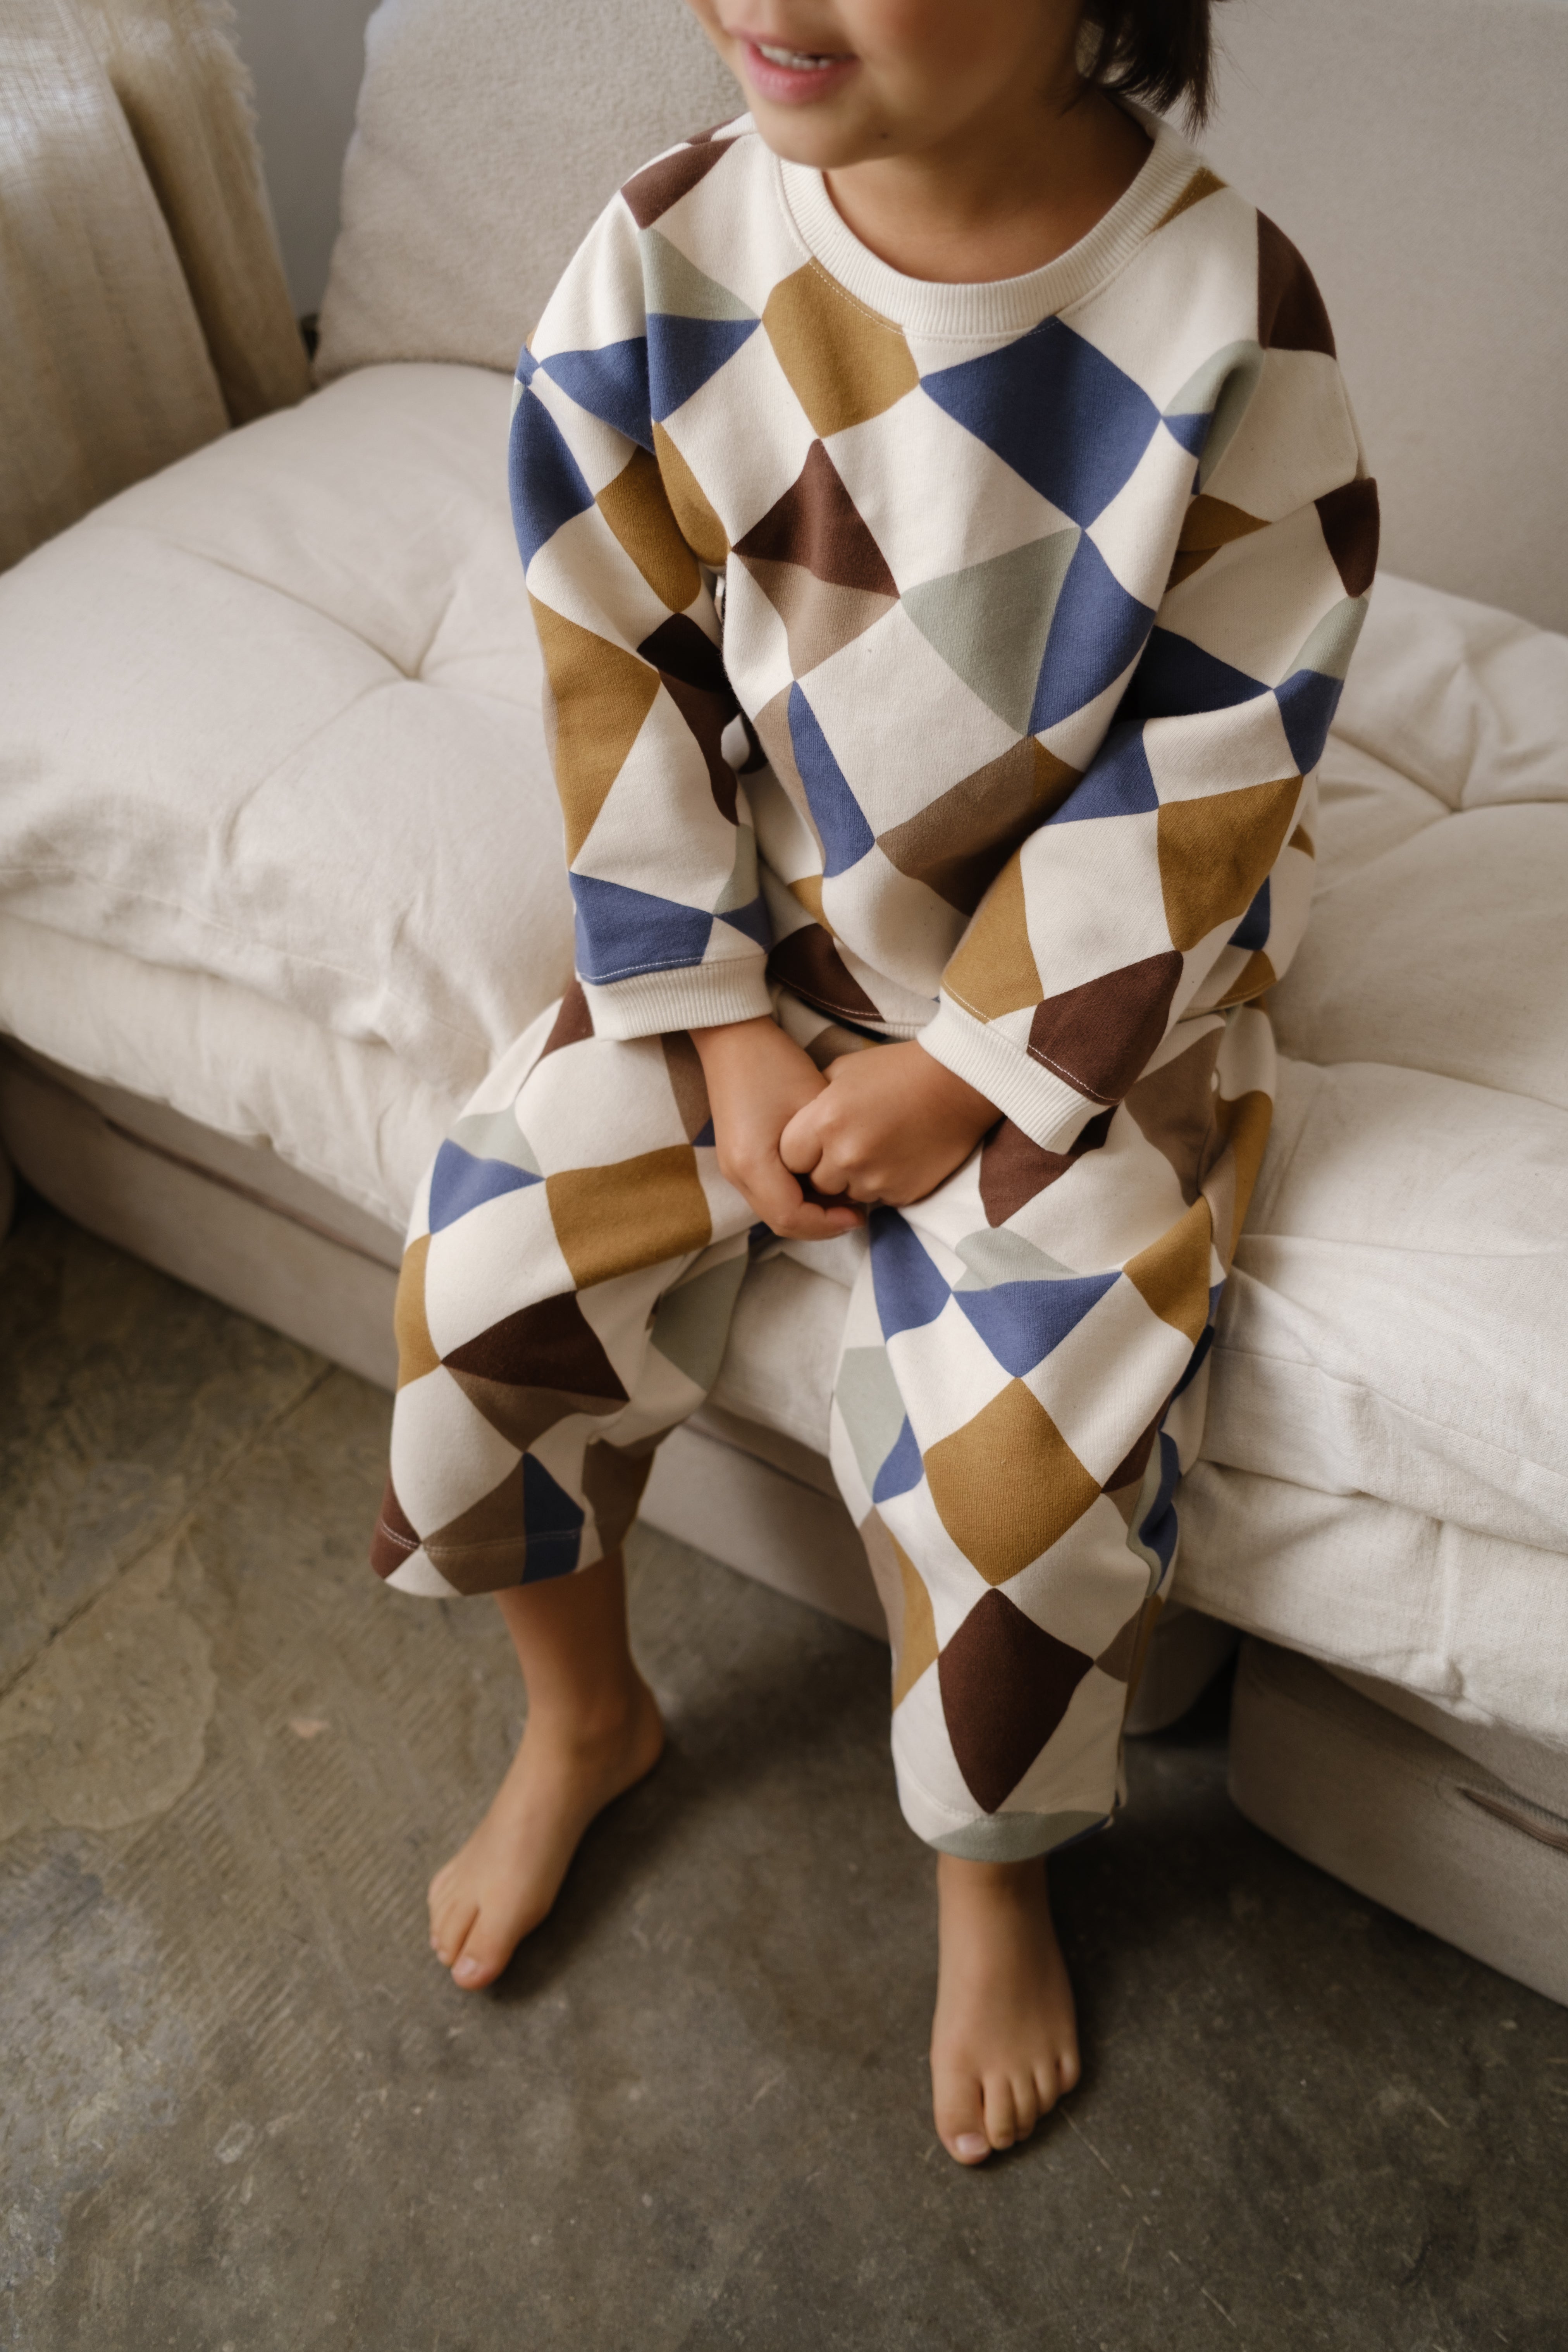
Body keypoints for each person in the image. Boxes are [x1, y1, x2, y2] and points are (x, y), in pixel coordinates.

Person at [371, 0, 1377, 2166]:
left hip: (1083, 1000)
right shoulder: (665, 260)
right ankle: (586, 1715)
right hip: (756, 938)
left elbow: (1219, 754)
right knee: (476, 1291)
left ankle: (990, 1874)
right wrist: (719, 1012)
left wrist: (971, 1067)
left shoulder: (1222, 313)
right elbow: (604, 653)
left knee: (1019, 1503)